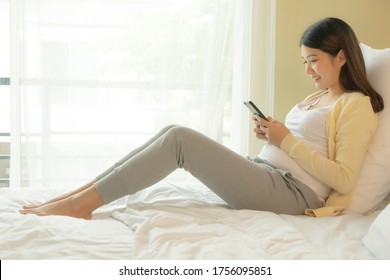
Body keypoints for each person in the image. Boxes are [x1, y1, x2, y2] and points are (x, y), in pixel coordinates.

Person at [20, 17, 384, 219]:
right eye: (304, 61)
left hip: (293, 193)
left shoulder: (357, 104)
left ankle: (80, 206)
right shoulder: (319, 96)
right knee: (170, 131)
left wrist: (284, 140)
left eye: (314, 60)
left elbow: (345, 177)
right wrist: (270, 137)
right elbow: (297, 144)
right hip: (267, 172)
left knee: (180, 139)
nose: (308, 70)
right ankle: (79, 194)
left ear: (341, 57)